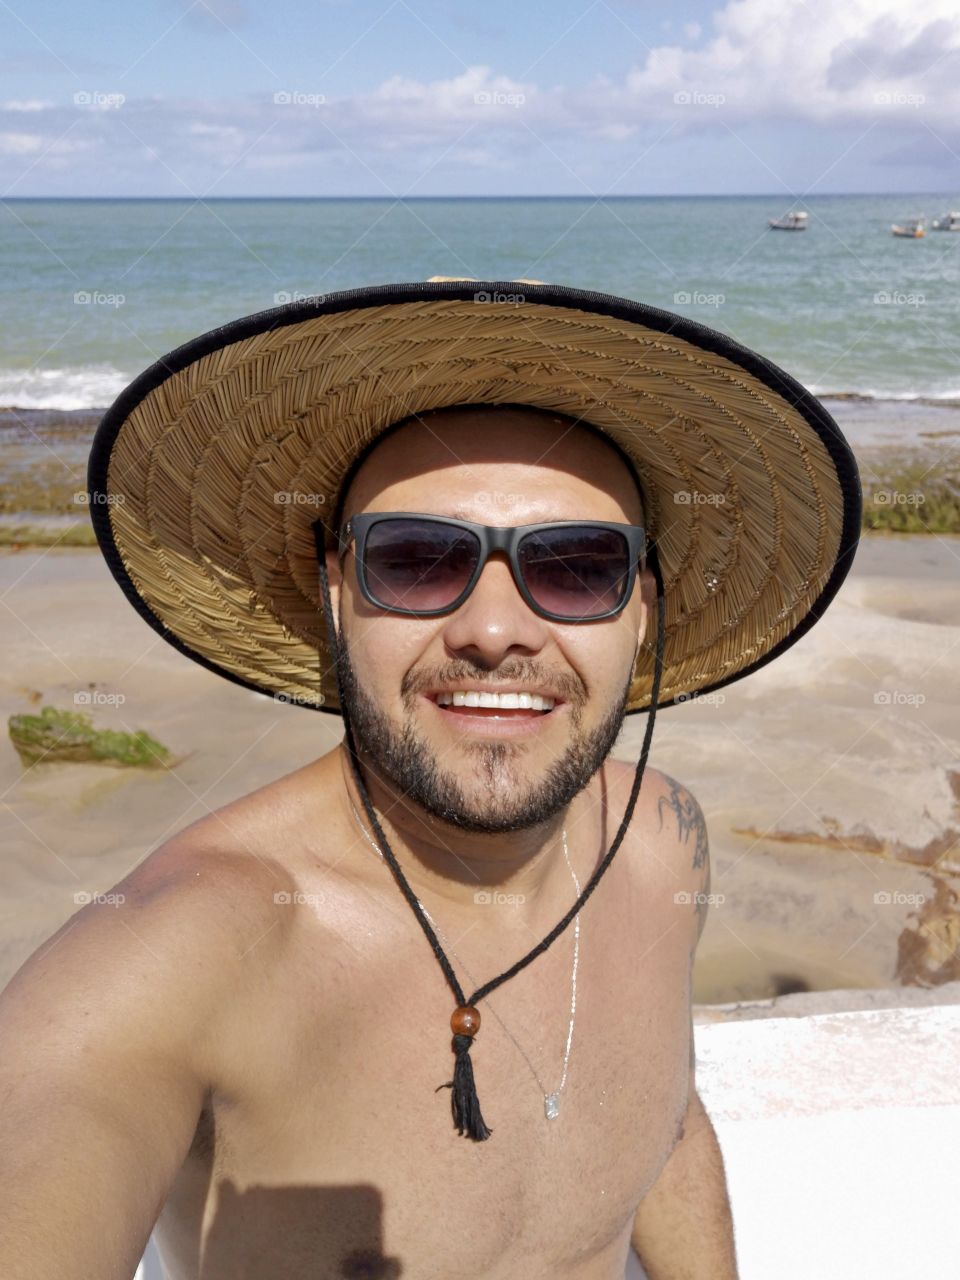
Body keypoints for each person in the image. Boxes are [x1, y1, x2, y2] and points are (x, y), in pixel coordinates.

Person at [0, 278, 860, 1279]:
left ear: (642, 612)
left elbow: (665, 1123)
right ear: (334, 592)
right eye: (416, 560)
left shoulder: (664, 833)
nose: (494, 630)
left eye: (576, 565)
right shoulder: (173, 949)